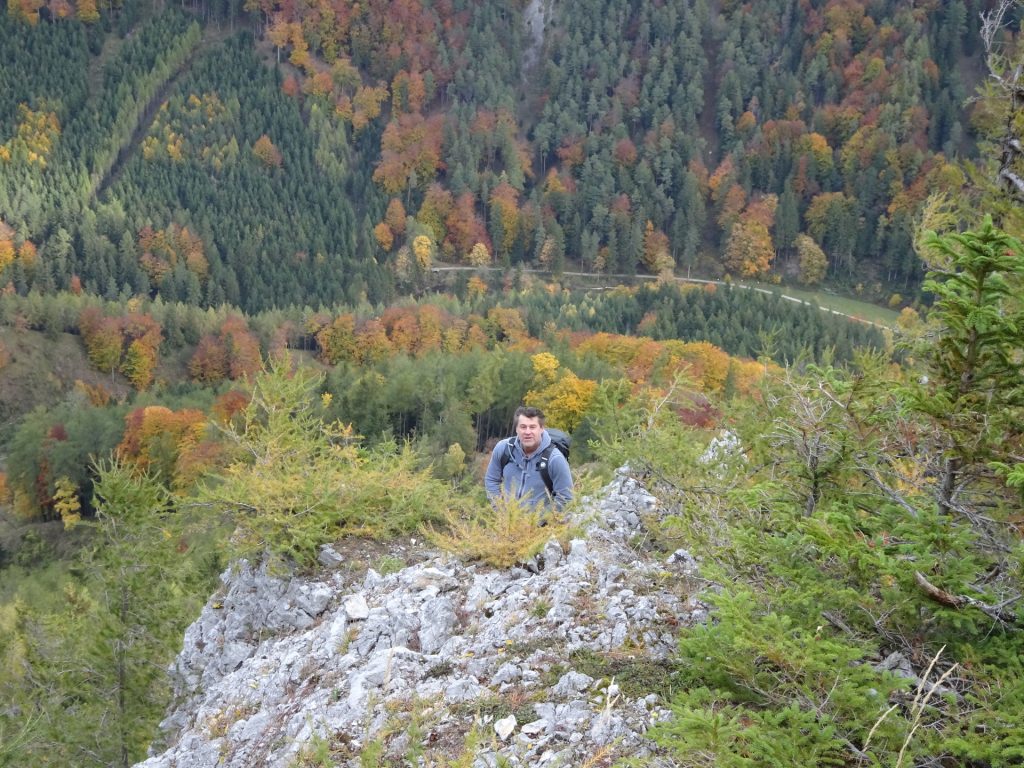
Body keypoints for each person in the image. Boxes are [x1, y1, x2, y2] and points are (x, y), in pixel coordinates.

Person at [484, 406, 573, 513]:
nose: (527, 432)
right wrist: (498, 507)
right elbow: (491, 480)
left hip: (540, 526)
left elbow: (565, 498)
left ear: (541, 429)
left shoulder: (555, 459)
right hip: (507, 523)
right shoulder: (504, 449)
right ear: (516, 429)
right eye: (523, 427)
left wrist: (538, 520)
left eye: (532, 427)